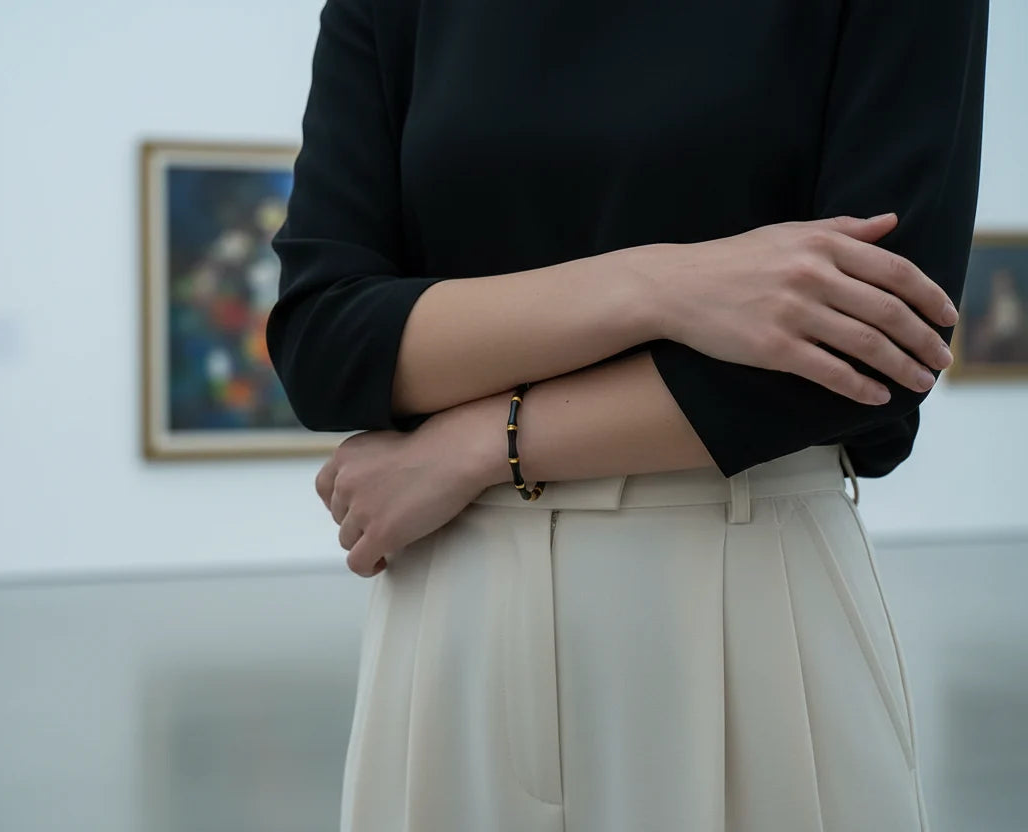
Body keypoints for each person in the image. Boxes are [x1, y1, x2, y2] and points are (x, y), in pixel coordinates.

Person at [266, 2, 988, 830]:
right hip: (453, 612)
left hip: (743, 591)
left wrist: (480, 444)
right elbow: (323, 339)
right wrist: (659, 286)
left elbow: (875, 342)